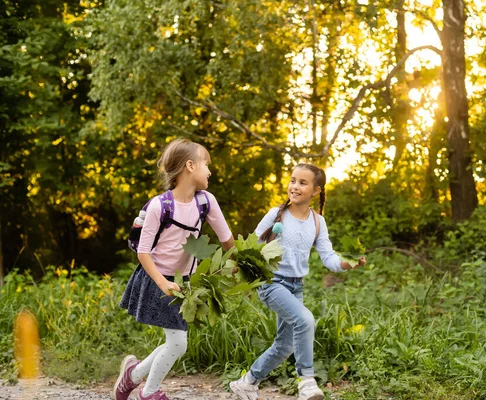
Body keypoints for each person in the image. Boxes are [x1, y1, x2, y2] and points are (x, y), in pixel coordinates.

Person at [230, 163, 366, 400]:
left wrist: (347, 263)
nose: (295, 186)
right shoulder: (276, 214)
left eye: (303, 182)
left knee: (284, 346)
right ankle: (307, 381)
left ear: (316, 191)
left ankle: (247, 382)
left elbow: (329, 258)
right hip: (271, 282)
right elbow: (253, 246)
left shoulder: (317, 222)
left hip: (296, 286)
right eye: (293, 180)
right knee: (305, 320)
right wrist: (237, 266)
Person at [113, 138, 235, 400]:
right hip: (157, 279)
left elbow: (227, 240)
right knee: (179, 343)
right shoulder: (160, 205)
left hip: (184, 283)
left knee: (175, 342)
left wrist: (235, 263)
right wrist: (162, 283)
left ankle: (132, 376)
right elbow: (142, 251)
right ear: (190, 166)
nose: (210, 171)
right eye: (206, 165)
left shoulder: (206, 202)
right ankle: (149, 392)